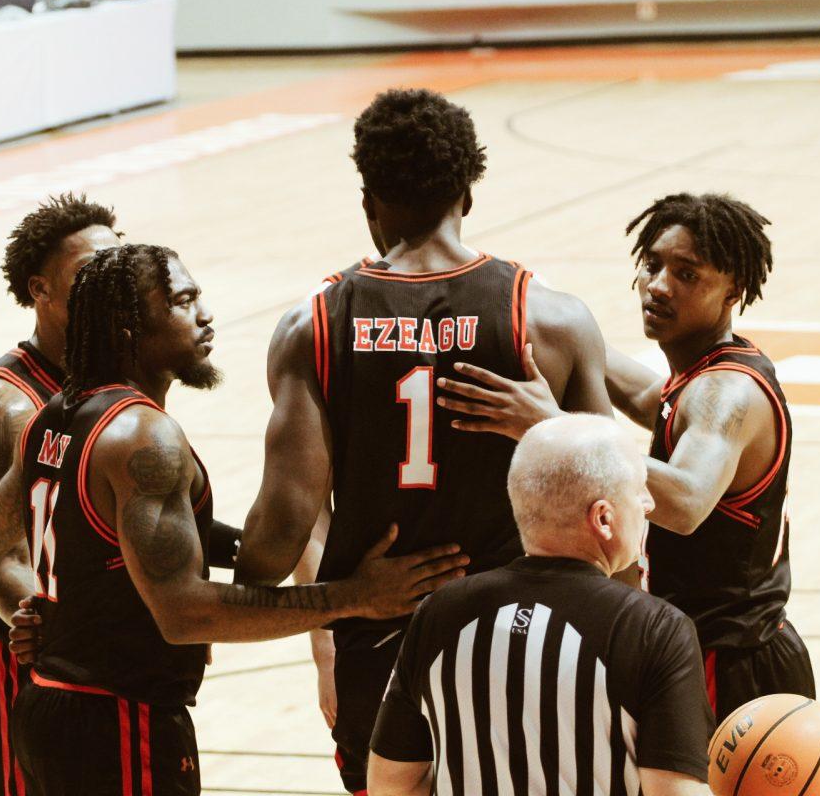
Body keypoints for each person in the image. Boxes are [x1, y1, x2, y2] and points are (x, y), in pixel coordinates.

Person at [0, 244, 468, 795]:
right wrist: (356, 596)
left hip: (49, 706)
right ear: (129, 328)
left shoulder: (52, 418)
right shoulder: (142, 437)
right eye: (183, 300)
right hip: (119, 721)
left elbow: (89, 544)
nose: (205, 314)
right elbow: (185, 614)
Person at [229, 87, 614, 794]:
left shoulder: (312, 325)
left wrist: (201, 567)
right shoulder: (549, 319)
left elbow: (280, 534)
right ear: (467, 192)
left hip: (380, 644)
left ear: (369, 200)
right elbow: (615, 511)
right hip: (520, 638)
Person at [436, 192, 815, 724]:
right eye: (652, 264)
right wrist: (533, 306)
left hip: (732, 662)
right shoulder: (699, 374)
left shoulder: (726, 393)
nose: (658, 285)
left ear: (735, 290)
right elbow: (642, 395)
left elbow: (686, 501)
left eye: (687, 274)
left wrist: (551, 424)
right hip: (717, 650)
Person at [368, 414, 713, 796]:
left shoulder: (438, 614)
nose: (648, 504)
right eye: (638, 489)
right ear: (603, 518)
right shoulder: (655, 629)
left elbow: (391, 783)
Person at [0, 193, 122, 796]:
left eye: (117, 270)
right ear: (40, 289)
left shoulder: (116, 374)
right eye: (88, 276)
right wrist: (67, 635)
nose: (110, 288)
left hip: (104, 651)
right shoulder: (4, 405)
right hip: (26, 656)